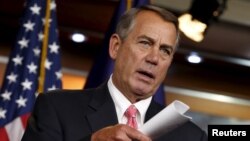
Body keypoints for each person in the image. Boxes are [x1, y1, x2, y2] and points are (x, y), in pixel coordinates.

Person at [21, 5, 207, 141]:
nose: (154, 58)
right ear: (115, 47)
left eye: (165, 50)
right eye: (145, 43)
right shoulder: (57, 108)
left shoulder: (191, 136)